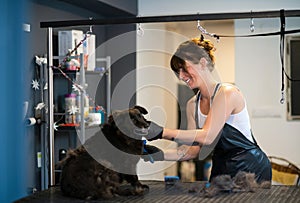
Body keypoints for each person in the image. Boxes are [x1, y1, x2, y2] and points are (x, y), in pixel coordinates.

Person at [142, 36, 272, 183]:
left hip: (251, 168)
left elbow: (207, 136)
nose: (181, 76)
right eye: (177, 72)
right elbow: (192, 150)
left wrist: (161, 132)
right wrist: (158, 154)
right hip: (221, 168)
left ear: (203, 63)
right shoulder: (192, 104)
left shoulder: (227, 93)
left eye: (184, 69)